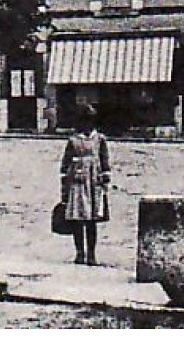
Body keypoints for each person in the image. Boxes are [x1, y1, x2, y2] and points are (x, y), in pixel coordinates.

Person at [61, 102, 110, 265]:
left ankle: (91, 254)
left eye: (90, 120)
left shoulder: (100, 139)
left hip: (94, 182)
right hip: (77, 182)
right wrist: (65, 185)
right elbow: (65, 164)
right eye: (84, 120)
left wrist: (105, 178)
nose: (87, 125)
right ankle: (80, 253)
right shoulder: (73, 140)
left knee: (92, 219)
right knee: (77, 218)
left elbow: (105, 160)